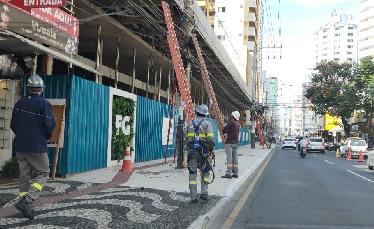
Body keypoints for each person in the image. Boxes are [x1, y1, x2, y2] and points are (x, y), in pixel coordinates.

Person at [10, 75, 56, 220]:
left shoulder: (19, 103)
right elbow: (49, 125)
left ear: (28, 89)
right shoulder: (44, 104)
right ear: (41, 89)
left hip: (20, 146)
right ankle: (28, 200)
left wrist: (23, 135)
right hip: (36, 146)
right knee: (44, 173)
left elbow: (13, 125)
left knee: (24, 176)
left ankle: (24, 203)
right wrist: (46, 135)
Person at [186, 104, 215, 204]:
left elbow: (187, 139)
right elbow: (211, 140)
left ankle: (193, 197)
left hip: (192, 152)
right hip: (204, 153)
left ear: (197, 112)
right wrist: (211, 152)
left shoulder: (190, 123)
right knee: (206, 172)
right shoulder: (207, 124)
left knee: (192, 174)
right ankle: (204, 194)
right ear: (205, 114)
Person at [222, 111, 241, 179]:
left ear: (233, 116)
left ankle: (229, 173)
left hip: (229, 143)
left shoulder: (231, 123)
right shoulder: (238, 124)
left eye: (231, 115)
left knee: (229, 158)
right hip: (236, 143)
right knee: (235, 158)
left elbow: (223, 130)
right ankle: (235, 173)